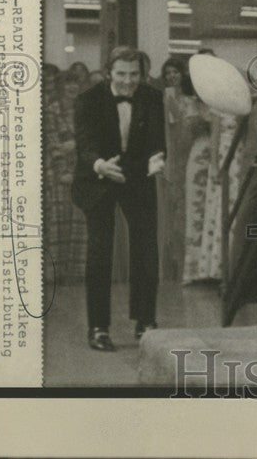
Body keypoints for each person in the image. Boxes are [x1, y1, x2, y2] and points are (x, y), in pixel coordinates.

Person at [71, 46, 166, 351]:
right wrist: (99, 165)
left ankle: (145, 322)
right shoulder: (88, 99)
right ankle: (98, 327)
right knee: (100, 250)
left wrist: (158, 159)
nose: (128, 81)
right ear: (109, 72)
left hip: (136, 175)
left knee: (146, 247)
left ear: (143, 73)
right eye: (122, 74)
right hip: (98, 175)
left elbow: (156, 140)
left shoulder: (152, 97)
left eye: (134, 74)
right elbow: (85, 144)